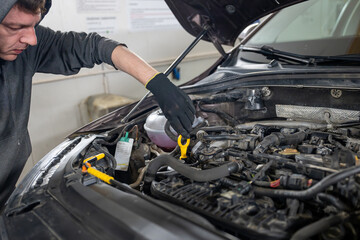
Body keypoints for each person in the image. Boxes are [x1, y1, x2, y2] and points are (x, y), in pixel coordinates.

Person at [0, 0, 195, 208]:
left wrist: (157, 83)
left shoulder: (27, 48)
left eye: (34, 25)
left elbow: (94, 46)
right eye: (15, 27)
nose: (31, 39)